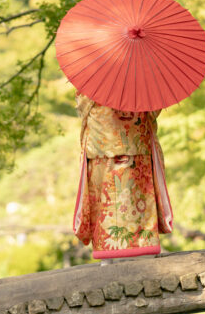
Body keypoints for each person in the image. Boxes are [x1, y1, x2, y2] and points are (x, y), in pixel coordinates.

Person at [72, 91, 173, 259]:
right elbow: (154, 109)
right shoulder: (142, 80)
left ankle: (107, 258)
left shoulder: (93, 81)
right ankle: (144, 250)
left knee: (104, 204)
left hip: (101, 147)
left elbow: (83, 107)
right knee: (138, 204)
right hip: (136, 144)